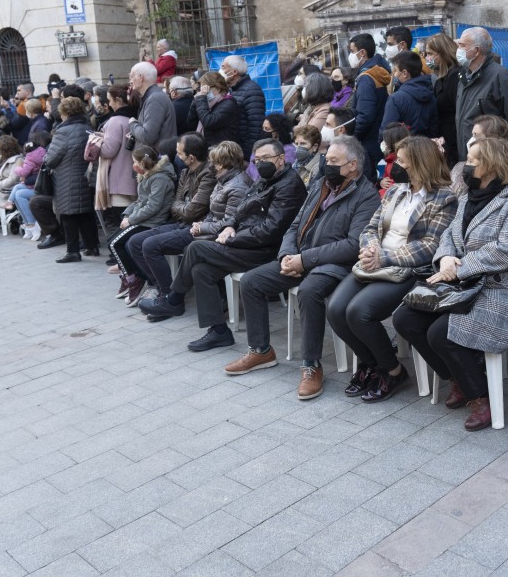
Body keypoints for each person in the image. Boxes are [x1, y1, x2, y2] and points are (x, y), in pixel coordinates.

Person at [393, 137, 508, 431]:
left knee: (440, 333)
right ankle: (458, 379)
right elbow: (449, 234)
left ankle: (480, 397)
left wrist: (458, 270)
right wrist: (446, 258)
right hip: (465, 285)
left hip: (503, 290)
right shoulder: (470, 195)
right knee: (405, 319)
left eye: (473, 161)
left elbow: (506, 249)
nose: (466, 167)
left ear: (493, 166)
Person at [224, 135, 381, 399]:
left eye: (333, 161)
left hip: (335, 265)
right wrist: (287, 254)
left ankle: (311, 366)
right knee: (252, 282)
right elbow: (295, 224)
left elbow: (353, 245)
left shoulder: (367, 196)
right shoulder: (321, 184)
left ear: (353, 165)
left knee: (309, 290)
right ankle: (261, 351)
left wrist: (305, 260)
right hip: (301, 257)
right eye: (326, 159)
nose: (326, 164)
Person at [326, 136, 455, 402]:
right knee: (336, 310)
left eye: (403, 162)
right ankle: (371, 364)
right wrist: (372, 249)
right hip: (375, 262)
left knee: (359, 312)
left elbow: (430, 246)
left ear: (420, 164)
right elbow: (371, 227)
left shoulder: (444, 198)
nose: (396, 166)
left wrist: (384, 257)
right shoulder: (397, 190)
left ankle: (392, 370)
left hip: (407, 269)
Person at [139, 139, 307, 341]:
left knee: (195, 248)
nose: (261, 163)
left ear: (281, 159)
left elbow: (271, 230)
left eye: (266, 158)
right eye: (257, 159)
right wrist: (230, 226)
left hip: (267, 250)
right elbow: (242, 208)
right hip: (247, 241)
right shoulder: (265, 179)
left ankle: (174, 299)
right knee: (201, 271)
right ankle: (219, 332)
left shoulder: (289, 185)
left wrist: (232, 238)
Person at [130, 139, 240, 320]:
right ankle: (164, 292)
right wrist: (185, 211)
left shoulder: (212, 177)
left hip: (200, 228)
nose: (176, 157)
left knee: (151, 245)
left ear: (191, 157)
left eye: (179, 154)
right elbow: (178, 204)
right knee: (135, 242)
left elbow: (195, 210)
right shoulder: (187, 172)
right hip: (192, 224)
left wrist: (194, 218)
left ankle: (170, 298)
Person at [110, 145, 178, 304]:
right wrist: (127, 215)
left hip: (152, 222)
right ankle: (132, 277)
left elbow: (153, 207)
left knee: (115, 244)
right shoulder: (146, 176)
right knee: (114, 241)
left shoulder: (160, 178)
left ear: (143, 162)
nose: (133, 165)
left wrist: (132, 220)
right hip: (142, 219)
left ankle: (135, 280)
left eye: (134, 161)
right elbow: (140, 201)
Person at [454, 27, 508, 160]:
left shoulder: (501, 77)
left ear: (476, 51)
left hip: (491, 160)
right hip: (469, 158)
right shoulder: (464, 77)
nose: (458, 50)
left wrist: (505, 154)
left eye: (462, 45)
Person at [42, 97, 100, 263]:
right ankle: (92, 246)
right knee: (85, 213)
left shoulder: (63, 131)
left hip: (67, 178)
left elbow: (51, 159)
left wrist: (46, 158)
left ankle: (72, 251)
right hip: (86, 176)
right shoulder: (88, 127)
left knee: (68, 215)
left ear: (64, 112)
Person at [93, 86, 139, 236]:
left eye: (110, 100)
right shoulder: (134, 117)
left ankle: (119, 255)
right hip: (132, 173)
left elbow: (108, 150)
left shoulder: (115, 121)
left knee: (120, 219)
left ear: (118, 100)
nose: (109, 104)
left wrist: (97, 142)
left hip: (119, 179)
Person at [347, 33, 392, 178]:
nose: (350, 55)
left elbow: (365, 114)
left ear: (362, 53)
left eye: (352, 52)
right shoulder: (374, 70)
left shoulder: (366, 78)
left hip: (369, 140)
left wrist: (353, 137)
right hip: (375, 137)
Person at [424, 33, 465, 166]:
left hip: (454, 140)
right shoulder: (441, 79)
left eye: (430, 54)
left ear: (443, 53)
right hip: (445, 139)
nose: (427, 58)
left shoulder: (455, 77)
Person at [450, 115, 508, 196]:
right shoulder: (459, 167)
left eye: (476, 135)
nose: (472, 140)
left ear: (492, 139)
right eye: (472, 135)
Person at [382, 51, 438, 137]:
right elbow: (434, 129)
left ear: (404, 73)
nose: (394, 74)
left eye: (395, 70)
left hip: (403, 148)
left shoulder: (395, 99)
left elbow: (386, 132)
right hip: (426, 147)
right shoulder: (431, 94)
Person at [221, 54, 266, 158]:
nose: (220, 70)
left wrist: (246, 155)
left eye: (223, 67)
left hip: (244, 151)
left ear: (234, 72)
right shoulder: (231, 89)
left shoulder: (252, 90)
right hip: (234, 149)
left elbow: (256, 125)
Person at [9, 131, 50, 241]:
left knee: (20, 194)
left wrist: (17, 168)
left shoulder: (31, 157)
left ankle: (32, 224)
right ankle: (27, 223)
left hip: (42, 187)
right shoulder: (43, 153)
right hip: (38, 185)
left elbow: (25, 172)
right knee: (17, 189)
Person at [127, 62, 177, 149]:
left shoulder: (154, 99)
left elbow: (148, 137)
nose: (130, 81)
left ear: (140, 77)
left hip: (156, 159)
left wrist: (133, 124)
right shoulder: (152, 97)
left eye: (132, 76)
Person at [188, 70, 240, 149]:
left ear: (218, 88)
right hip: (208, 147)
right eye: (201, 89)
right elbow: (191, 123)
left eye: (206, 88)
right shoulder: (206, 103)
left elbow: (209, 122)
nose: (204, 92)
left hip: (222, 150)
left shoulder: (228, 103)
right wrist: (195, 102)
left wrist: (201, 99)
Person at [377, 123, 411, 197]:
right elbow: (382, 177)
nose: (383, 143)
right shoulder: (386, 160)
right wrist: (381, 182)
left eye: (385, 141)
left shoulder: (399, 163)